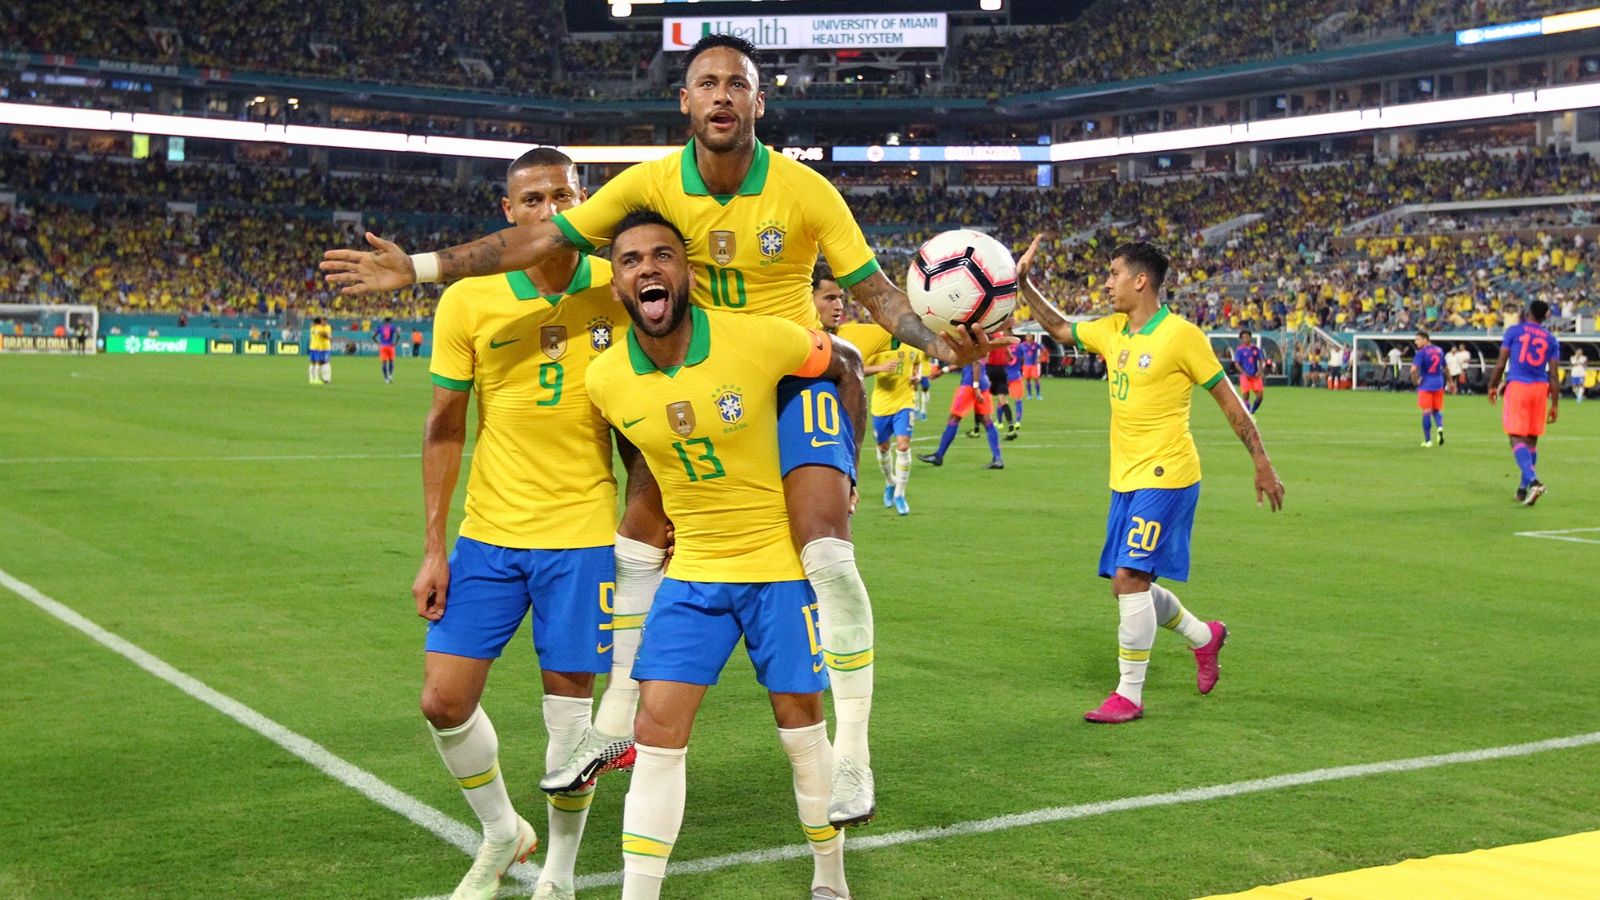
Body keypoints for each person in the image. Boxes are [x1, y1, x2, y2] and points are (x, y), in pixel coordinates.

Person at [322, 34, 1009, 823]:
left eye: (737, 84)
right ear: (684, 101)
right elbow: (544, 238)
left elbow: (878, 292)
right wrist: (419, 267)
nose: (721, 95)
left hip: (791, 379)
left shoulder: (807, 191)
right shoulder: (649, 185)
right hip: (694, 383)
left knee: (825, 549)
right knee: (638, 537)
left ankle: (852, 752)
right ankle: (610, 728)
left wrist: (936, 342)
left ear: (760, 101)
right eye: (706, 82)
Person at [586, 211, 862, 900]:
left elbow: (848, 365)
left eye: (662, 255)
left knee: (801, 729)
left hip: (780, 571)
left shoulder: (755, 337)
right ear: (616, 283)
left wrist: (840, 474)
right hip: (696, 575)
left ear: (685, 272)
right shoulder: (606, 379)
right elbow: (641, 464)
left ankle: (831, 880)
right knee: (656, 731)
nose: (646, 268)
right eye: (629, 260)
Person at [413, 148, 659, 900]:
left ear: (582, 200)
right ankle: (500, 831)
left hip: (581, 536)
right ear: (507, 211)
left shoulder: (615, 289)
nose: (548, 209)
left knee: (569, 732)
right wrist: (433, 546)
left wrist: (647, 527)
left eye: (562, 194)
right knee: (443, 700)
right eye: (531, 199)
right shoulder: (468, 299)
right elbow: (446, 426)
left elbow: (643, 422)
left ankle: (557, 874)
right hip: (487, 534)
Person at [1016, 234, 1284, 723]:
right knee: (1126, 587)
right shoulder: (1112, 330)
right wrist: (1023, 283)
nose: (1107, 283)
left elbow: (1228, 400)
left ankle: (1129, 695)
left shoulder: (1182, 336)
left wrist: (1262, 461)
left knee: (1130, 578)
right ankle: (1206, 637)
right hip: (1126, 479)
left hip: (1169, 474)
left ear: (1141, 281)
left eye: (1114, 274)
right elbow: (1057, 327)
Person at [1487, 300, 1561, 505]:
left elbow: (1501, 362)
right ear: (1545, 316)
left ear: (1528, 312)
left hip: (1519, 386)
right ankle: (1522, 489)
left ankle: (1534, 481)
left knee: (1515, 437)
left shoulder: (1514, 331)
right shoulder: (1551, 339)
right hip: (1540, 389)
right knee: (1531, 440)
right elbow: (1553, 374)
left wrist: (1493, 385)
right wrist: (1554, 404)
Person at [916, 361, 1004, 469]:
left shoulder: (972, 343)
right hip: (983, 384)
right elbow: (965, 360)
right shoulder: (981, 344)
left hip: (970, 384)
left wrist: (975, 387)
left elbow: (975, 362)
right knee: (987, 420)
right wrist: (943, 370)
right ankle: (998, 458)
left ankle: (939, 456)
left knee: (954, 418)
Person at [1412, 331, 1447, 447]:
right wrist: (1451, 382)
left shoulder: (1421, 353)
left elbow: (1413, 370)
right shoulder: (1439, 350)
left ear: (1425, 339)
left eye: (1418, 339)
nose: (1415, 342)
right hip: (1439, 382)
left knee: (1426, 411)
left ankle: (1428, 441)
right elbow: (1446, 368)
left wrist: (1415, 381)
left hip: (1426, 383)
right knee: (1436, 410)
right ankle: (1440, 427)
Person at [1234, 330, 1265, 413]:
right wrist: (1244, 373)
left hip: (1255, 375)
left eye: (1247, 337)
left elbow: (1261, 360)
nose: (1246, 339)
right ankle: (1248, 413)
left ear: (1250, 337)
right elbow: (1237, 364)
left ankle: (1253, 410)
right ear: (1241, 339)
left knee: (1260, 396)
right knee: (1246, 395)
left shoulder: (1255, 348)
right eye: (1244, 337)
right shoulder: (1239, 350)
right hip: (1245, 376)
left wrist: (1260, 370)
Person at [375, 316, 400, 383]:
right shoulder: (392, 327)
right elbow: (398, 335)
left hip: (383, 346)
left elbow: (373, 336)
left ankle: (385, 378)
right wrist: (395, 343)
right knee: (391, 361)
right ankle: (390, 375)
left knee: (384, 363)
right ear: (390, 322)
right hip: (390, 346)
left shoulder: (381, 328)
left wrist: (378, 343)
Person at [308, 316, 332, 384]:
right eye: (322, 321)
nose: (323, 322)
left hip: (314, 347)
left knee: (314, 363)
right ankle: (316, 379)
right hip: (319, 348)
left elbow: (327, 335)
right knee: (318, 363)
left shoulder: (313, 327)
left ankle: (312, 379)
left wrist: (325, 334)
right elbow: (325, 335)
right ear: (319, 322)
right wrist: (325, 334)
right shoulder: (318, 327)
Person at [1019, 334, 1044, 399]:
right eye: (1027, 336)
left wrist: (1039, 359)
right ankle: (1030, 395)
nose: (1029, 338)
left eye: (1030, 336)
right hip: (1026, 365)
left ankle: (1038, 394)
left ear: (1032, 337)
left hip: (1033, 365)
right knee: (1027, 380)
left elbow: (1043, 350)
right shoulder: (1022, 345)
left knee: (1036, 379)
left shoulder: (1035, 344)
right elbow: (1019, 353)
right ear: (1025, 337)